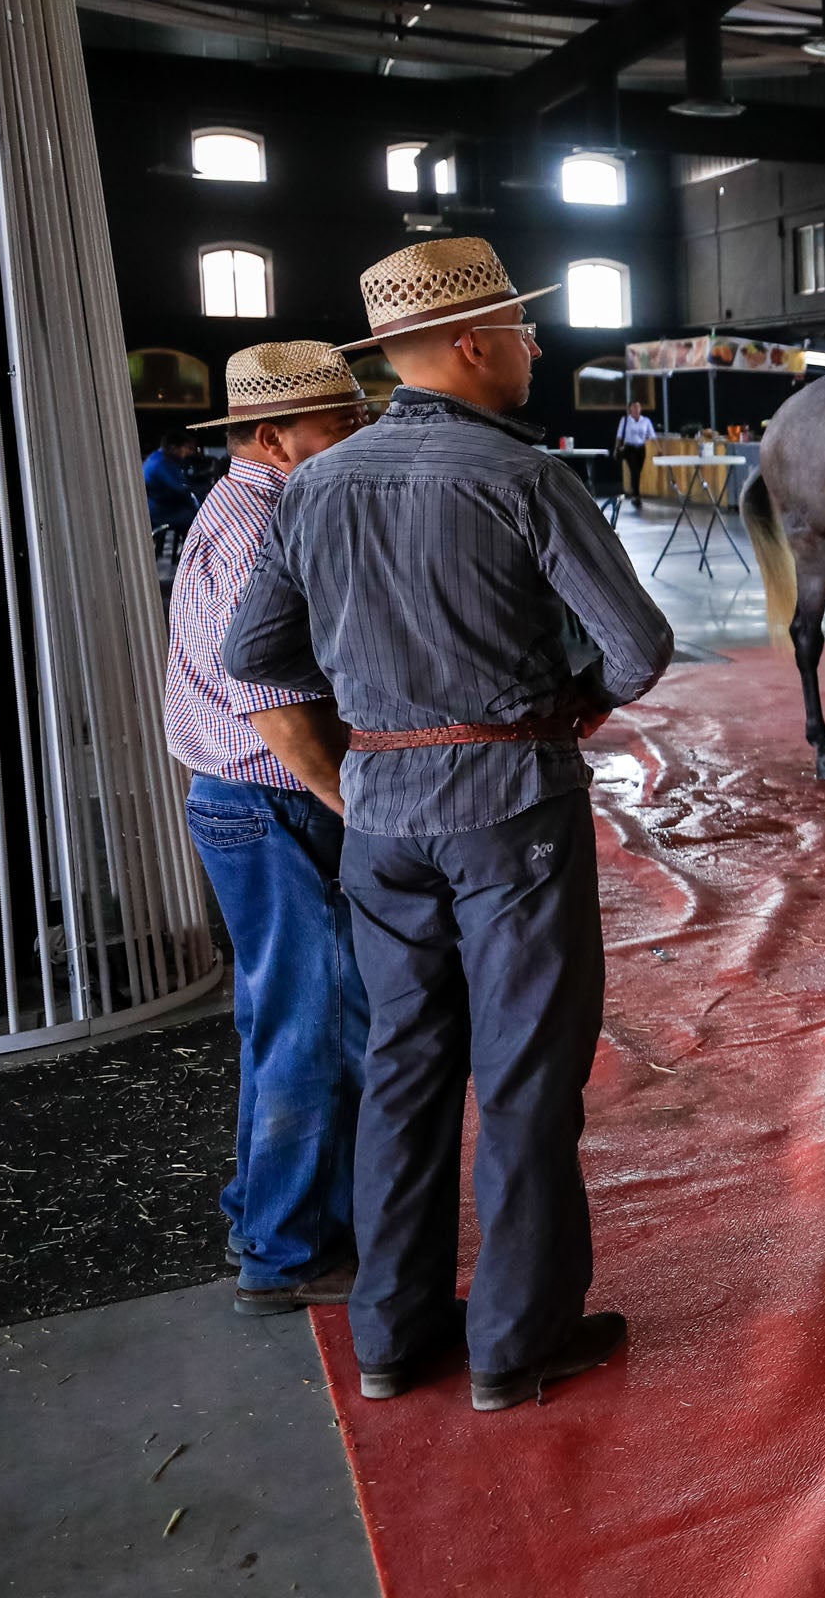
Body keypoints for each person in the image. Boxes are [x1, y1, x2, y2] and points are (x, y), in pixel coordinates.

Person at [227, 238, 674, 1413]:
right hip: (512, 808)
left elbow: (250, 656)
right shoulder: (526, 479)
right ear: (475, 343)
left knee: (404, 1068)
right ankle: (516, 1343)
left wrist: (370, 718)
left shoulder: (316, 486)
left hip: (381, 816)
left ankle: (391, 1334)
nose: (537, 345)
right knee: (525, 1074)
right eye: (526, 329)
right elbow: (637, 647)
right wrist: (571, 703)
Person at [163, 343, 372, 1317]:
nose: (356, 434)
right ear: (269, 437)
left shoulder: (254, 510)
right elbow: (275, 706)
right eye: (338, 422)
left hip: (240, 803)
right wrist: (355, 804)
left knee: (280, 1019)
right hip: (272, 800)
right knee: (319, 1024)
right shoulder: (255, 533)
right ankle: (292, 1251)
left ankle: (265, 1212)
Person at [144, 425, 204, 540]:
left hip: (155, 508)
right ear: (173, 448)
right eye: (186, 448)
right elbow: (182, 489)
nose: (188, 453)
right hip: (159, 512)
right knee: (199, 518)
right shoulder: (163, 463)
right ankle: (194, 551)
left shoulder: (157, 457)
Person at [613, 397, 656, 513]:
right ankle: (636, 495)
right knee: (634, 470)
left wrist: (658, 448)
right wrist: (616, 448)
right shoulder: (625, 420)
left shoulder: (645, 421)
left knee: (638, 471)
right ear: (630, 409)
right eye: (634, 408)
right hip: (629, 448)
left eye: (638, 407)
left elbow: (652, 435)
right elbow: (619, 435)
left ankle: (635, 492)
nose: (636, 409)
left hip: (640, 448)